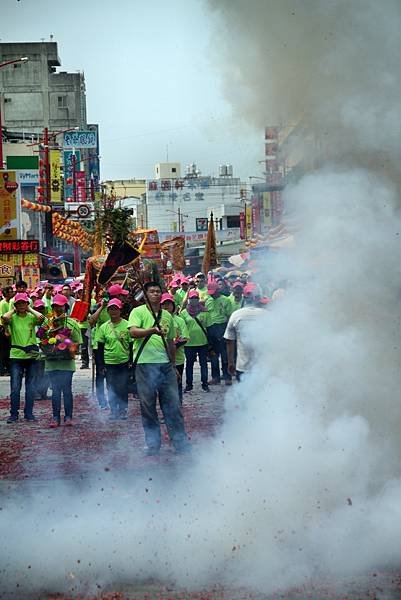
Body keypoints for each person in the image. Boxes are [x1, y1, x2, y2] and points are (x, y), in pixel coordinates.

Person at [128, 281, 190, 455]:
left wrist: (173, 365)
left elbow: (170, 342)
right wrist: (152, 331)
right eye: (152, 292)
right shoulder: (137, 312)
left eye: (158, 291)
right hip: (144, 364)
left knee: (173, 405)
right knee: (148, 407)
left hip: (165, 365)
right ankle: (153, 444)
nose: (155, 294)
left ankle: (180, 443)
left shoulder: (168, 316)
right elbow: (132, 332)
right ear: (146, 295)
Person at [2, 292, 45, 423]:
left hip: (31, 356)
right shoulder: (13, 318)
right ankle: (14, 414)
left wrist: (29, 308)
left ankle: (29, 413)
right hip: (16, 356)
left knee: (30, 387)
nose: (21, 305)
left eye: (23, 303)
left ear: (27, 304)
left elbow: (41, 318)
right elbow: (4, 318)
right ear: (15, 305)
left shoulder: (31, 317)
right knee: (15, 388)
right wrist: (14, 309)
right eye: (19, 303)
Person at [43, 294, 82, 427]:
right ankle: (55, 417)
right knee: (55, 390)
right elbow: (41, 339)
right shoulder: (47, 323)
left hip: (66, 363)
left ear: (65, 307)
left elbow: (77, 344)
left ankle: (68, 416)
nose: (58, 308)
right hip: (52, 363)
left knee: (66, 390)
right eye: (55, 306)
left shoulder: (72, 323)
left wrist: (64, 341)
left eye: (60, 306)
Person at [224, 282, 268, 382]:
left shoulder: (236, 315)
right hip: (262, 367)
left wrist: (230, 362)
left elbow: (229, 341)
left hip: (242, 367)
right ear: (258, 297)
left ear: (244, 297)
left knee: (243, 395)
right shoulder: (267, 315)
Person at [97, 298, 131, 420]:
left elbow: (132, 345)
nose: (113, 311)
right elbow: (100, 348)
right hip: (109, 362)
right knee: (111, 387)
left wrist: (132, 362)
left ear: (120, 310)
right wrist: (100, 365)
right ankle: (113, 410)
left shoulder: (127, 325)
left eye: (116, 309)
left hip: (124, 361)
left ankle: (123, 410)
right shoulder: (103, 327)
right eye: (111, 309)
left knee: (122, 387)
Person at [160, 292, 189, 403]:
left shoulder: (179, 320)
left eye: (169, 304)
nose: (167, 306)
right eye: (164, 304)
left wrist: (172, 347)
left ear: (173, 305)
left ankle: (178, 405)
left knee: (177, 382)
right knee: (164, 385)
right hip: (161, 358)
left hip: (177, 359)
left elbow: (185, 337)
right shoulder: (157, 319)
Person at [180, 289, 210, 392]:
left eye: (196, 298)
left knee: (203, 364)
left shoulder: (204, 311)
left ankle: (205, 384)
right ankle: (189, 384)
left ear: (199, 299)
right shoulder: (183, 313)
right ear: (188, 299)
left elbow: (208, 326)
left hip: (203, 342)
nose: (194, 300)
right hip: (189, 343)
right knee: (189, 364)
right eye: (191, 298)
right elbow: (181, 328)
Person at [205, 281, 232, 385]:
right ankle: (215, 377)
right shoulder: (208, 301)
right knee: (213, 354)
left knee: (225, 354)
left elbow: (229, 315)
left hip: (223, 327)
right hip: (211, 328)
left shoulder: (226, 300)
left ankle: (227, 376)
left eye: (214, 292)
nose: (212, 294)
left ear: (218, 290)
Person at [0, 285, 14, 376]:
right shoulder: (3, 303)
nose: (12, 293)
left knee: (9, 350)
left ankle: (9, 368)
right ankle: (2, 369)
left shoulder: (11, 302)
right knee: (4, 350)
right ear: (6, 293)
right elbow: (3, 317)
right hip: (3, 328)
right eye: (10, 291)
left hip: (10, 328)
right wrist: (6, 330)